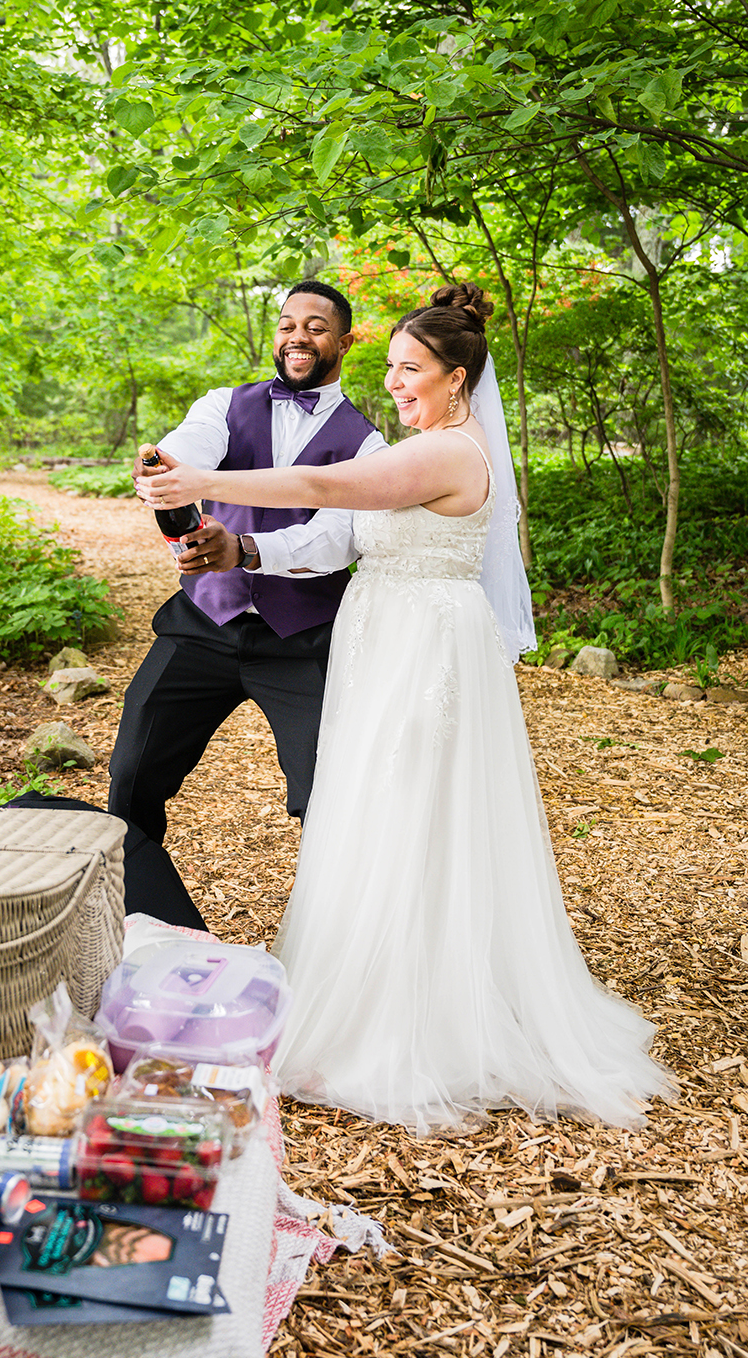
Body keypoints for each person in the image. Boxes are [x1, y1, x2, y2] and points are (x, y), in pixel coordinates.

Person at [137, 282, 671, 1133]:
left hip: (427, 653)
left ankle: (417, 1018)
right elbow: (336, 532)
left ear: (457, 379)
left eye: (410, 368)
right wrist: (238, 540)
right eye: (389, 366)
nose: (393, 382)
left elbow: (323, 483)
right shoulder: (416, 443)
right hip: (384, 644)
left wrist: (204, 479)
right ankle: (369, 978)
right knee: (371, 811)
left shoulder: (452, 453)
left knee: (413, 812)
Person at [107, 280, 388, 876]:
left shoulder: (368, 444)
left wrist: (246, 549)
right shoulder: (221, 404)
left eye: (315, 326)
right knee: (132, 772)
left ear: (346, 340)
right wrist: (164, 470)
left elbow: (339, 540)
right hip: (205, 620)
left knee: (326, 794)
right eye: (287, 324)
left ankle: (331, 936)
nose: (297, 336)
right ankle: (135, 916)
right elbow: (190, 452)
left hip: (303, 636)